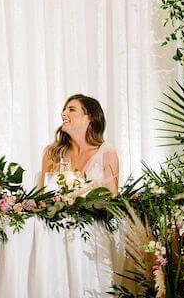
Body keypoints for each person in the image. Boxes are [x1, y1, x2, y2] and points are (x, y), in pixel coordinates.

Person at [40, 94, 121, 297]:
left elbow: (113, 200)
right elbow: (42, 196)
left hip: (93, 236)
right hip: (56, 233)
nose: (63, 113)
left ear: (90, 118)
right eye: (64, 109)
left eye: (71, 109)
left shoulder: (107, 153)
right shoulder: (52, 153)